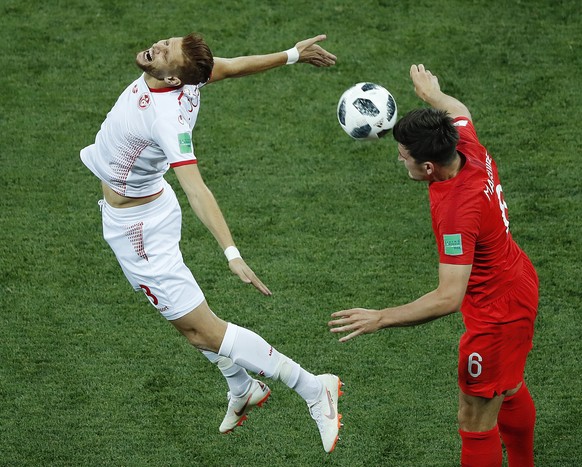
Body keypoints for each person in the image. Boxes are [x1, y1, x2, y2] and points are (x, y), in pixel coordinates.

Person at [80, 32, 343, 453]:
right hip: (133, 215)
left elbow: (198, 189)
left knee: (203, 331)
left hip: (141, 229)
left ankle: (314, 388)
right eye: (166, 41)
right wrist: (292, 54)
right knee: (181, 320)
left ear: (172, 81)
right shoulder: (186, 77)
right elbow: (234, 64)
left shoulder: (168, 118)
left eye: (167, 53)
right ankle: (243, 388)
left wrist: (231, 252)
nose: (158, 47)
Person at [329, 64, 538, 466]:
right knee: (508, 386)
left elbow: (448, 297)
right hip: (516, 280)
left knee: (475, 418)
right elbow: (458, 107)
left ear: (428, 167)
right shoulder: (465, 145)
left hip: (497, 313)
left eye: (404, 156)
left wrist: (381, 318)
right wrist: (431, 95)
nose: (400, 159)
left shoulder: (458, 211)